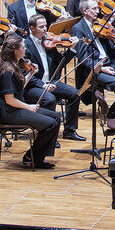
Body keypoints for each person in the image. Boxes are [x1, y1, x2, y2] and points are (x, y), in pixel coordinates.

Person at [0, 34, 62, 170]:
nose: (25, 49)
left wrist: (31, 74)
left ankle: (39, 155)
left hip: (16, 108)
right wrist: (28, 107)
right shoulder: (7, 72)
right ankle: (32, 157)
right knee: (50, 124)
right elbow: (9, 99)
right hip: (10, 113)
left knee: (56, 117)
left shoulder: (15, 66)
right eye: (23, 47)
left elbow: (19, 88)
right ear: (16, 51)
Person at [23, 13, 83, 141]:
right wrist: (43, 85)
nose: (45, 29)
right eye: (41, 27)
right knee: (50, 99)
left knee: (75, 94)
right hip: (33, 86)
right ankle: (48, 136)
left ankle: (69, 130)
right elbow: (24, 74)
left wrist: (72, 49)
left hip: (50, 82)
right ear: (32, 28)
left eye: (46, 26)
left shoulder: (49, 43)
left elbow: (60, 63)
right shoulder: (25, 46)